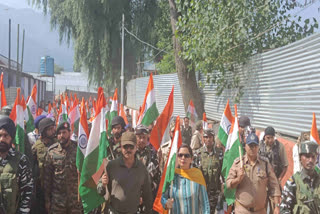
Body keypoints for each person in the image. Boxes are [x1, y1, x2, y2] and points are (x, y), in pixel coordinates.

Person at [98, 131, 153, 214]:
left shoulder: (142, 168)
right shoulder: (112, 166)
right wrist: (103, 184)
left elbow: (147, 194)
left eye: (131, 147)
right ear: (121, 147)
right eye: (125, 147)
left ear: (136, 147)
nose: (128, 150)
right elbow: (100, 191)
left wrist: (148, 211)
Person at [226, 133, 281, 214]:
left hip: (260, 211)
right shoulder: (238, 163)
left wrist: (276, 206)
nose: (253, 148)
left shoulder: (265, 164)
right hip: (242, 210)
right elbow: (228, 184)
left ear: (258, 147)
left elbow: (274, 186)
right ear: (245, 146)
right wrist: (238, 179)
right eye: (250, 146)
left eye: (255, 146)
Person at [44, 122, 83, 213]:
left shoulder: (79, 150)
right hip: (58, 201)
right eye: (59, 133)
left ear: (69, 133)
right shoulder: (51, 152)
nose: (62, 135)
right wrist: (47, 200)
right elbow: (47, 179)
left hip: (75, 199)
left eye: (64, 132)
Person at [161, 144, 210, 214]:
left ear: (191, 159)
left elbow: (205, 203)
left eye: (186, 156)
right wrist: (166, 203)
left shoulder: (197, 176)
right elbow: (162, 197)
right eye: (180, 155)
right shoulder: (172, 176)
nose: (183, 158)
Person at [0, 116, 33, 213]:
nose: (2, 139)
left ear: (12, 138)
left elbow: (27, 190)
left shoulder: (21, 160)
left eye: (6, 136)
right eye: (0, 135)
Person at [280, 140, 320, 213]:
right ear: (300, 158)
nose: (310, 160)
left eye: (313, 156)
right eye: (307, 156)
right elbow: (284, 209)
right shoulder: (293, 182)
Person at [194, 128, 223, 212]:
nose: (208, 139)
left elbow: (222, 171)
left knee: (211, 211)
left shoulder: (219, 153)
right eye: (206, 137)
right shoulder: (198, 154)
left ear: (213, 138)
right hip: (201, 191)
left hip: (214, 192)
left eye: (210, 137)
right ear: (203, 139)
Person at [32, 117, 57, 213]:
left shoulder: (58, 144)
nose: (53, 131)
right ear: (43, 131)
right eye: (50, 129)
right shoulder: (36, 147)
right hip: (41, 189)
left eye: (53, 128)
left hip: (56, 187)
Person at [135, 124, 161, 201]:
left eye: (144, 137)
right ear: (135, 138)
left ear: (147, 139)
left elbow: (156, 177)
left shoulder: (152, 154)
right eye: (139, 137)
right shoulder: (130, 153)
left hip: (148, 196)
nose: (142, 140)